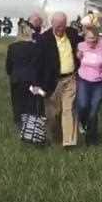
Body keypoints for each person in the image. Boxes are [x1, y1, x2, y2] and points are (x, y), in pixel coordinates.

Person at [39, 11, 81, 148]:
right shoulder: (44, 39)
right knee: (53, 114)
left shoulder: (73, 34)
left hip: (70, 78)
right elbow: (37, 63)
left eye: (63, 26)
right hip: (52, 81)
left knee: (69, 110)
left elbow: (86, 44)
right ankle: (56, 138)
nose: (60, 29)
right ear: (52, 24)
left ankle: (69, 143)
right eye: (57, 26)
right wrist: (37, 85)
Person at [75, 25, 102, 145]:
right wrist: (78, 56)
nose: (91, 40)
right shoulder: (81, 46)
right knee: (82, 106)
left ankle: (91, 139)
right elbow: (79, 58)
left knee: (93, 111)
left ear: (98, 37)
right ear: (85, 38)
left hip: (99, 83)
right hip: (83, 81)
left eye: (93, 38)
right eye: (88, 38)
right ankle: (82, 123)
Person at [5, 20, 45, 129]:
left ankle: (20, 126)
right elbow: (40, 65)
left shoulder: (12, 47)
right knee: (33, 104)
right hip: (33, 81)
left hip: (17, 80)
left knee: (18, 104)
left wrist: (12, 74)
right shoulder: (35, 47)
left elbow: (9, 66)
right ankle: (33, 128)